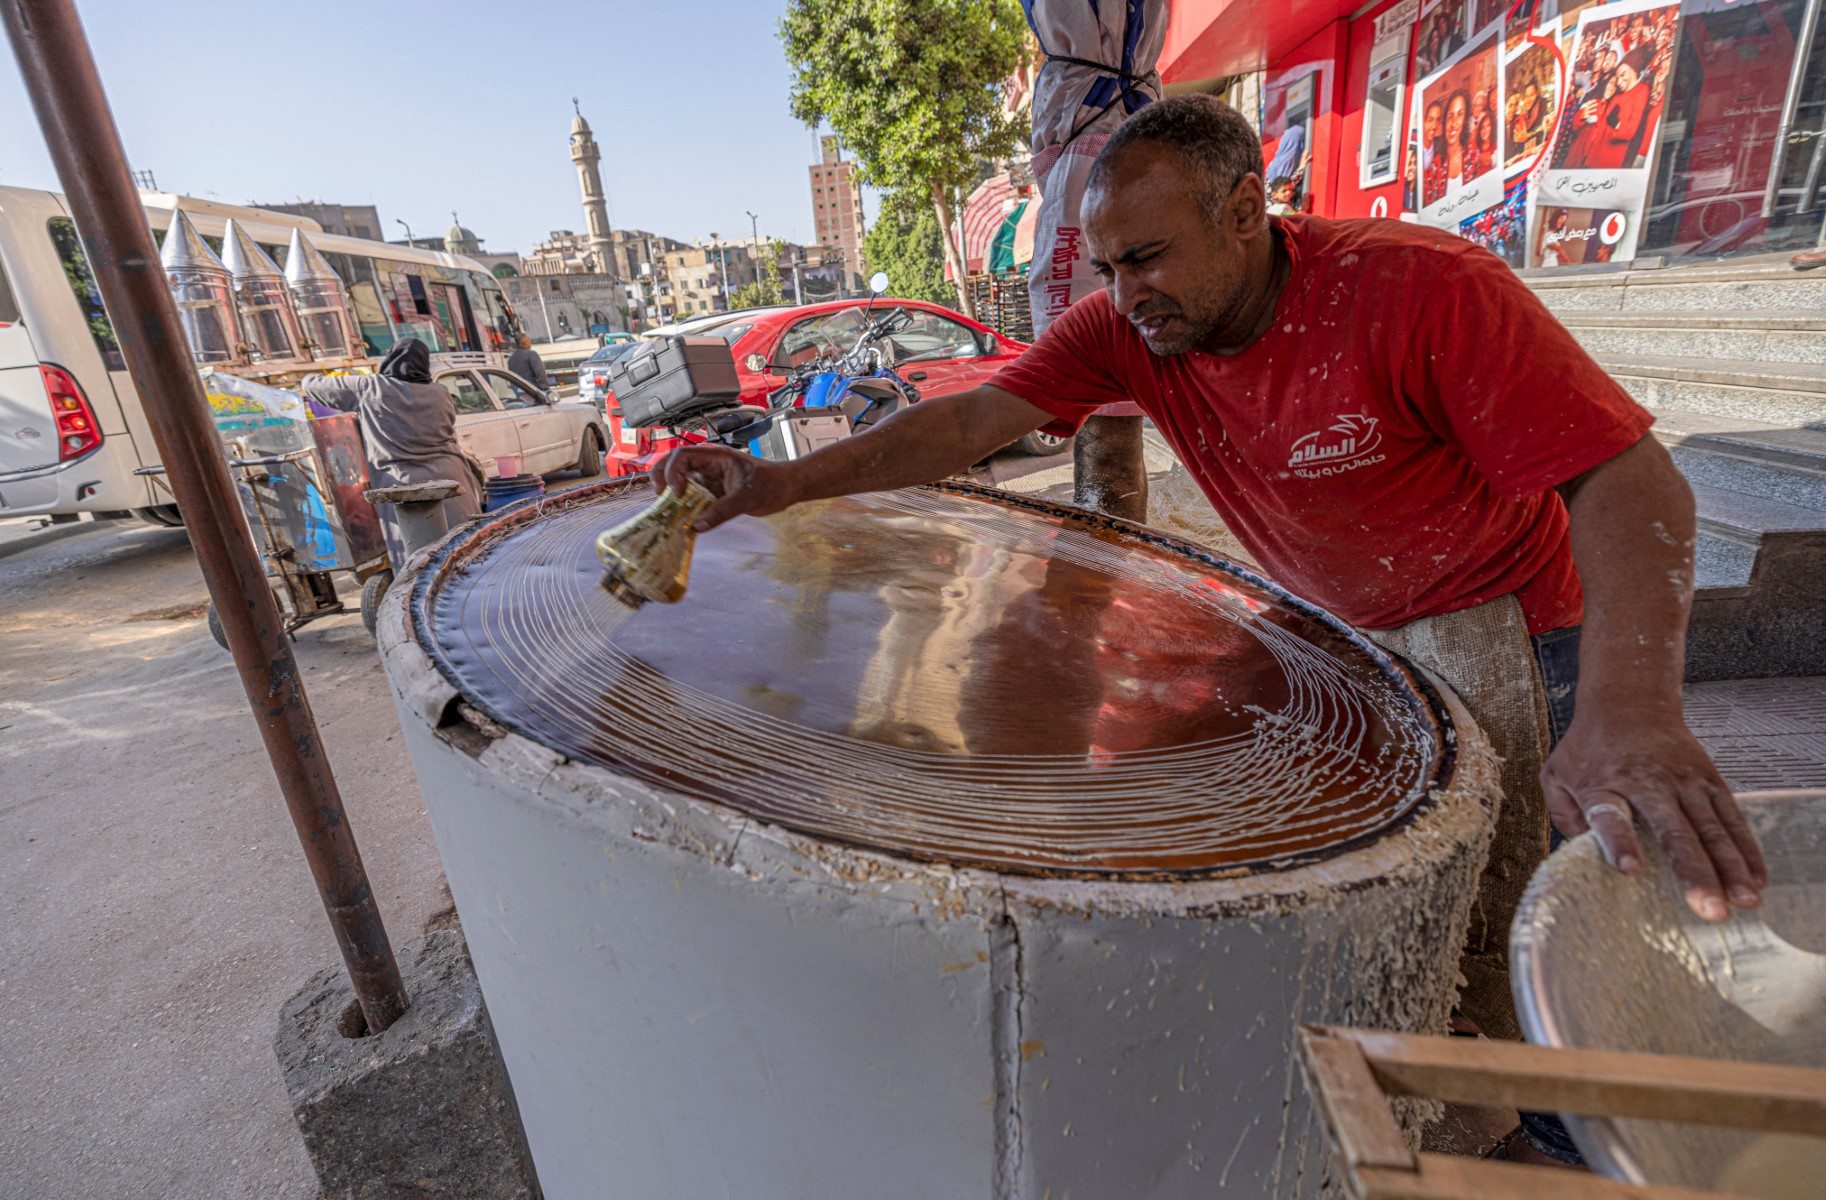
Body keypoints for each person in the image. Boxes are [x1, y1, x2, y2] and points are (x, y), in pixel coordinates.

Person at [657, 95, 1766, 1159]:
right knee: (1433, 901)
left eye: (1147, 258)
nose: (1125, 293)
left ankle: (1573, 1146)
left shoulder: (1421, 289)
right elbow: (967, 421)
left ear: (1245, 212)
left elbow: (1630, 482)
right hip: (1348, 624)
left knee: (1551, 918)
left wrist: (1630, 709)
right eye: (1107, 267)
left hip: (1508, 625)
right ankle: (1467, 1083)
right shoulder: (1128, 328)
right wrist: (776, 486)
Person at [299, 337, 482, 568]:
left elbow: (312, 385)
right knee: (465, 551)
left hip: (403, 485)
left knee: (418, 564)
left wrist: (313, 369)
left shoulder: (372, 387)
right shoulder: (440, 392)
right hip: (451, 477)